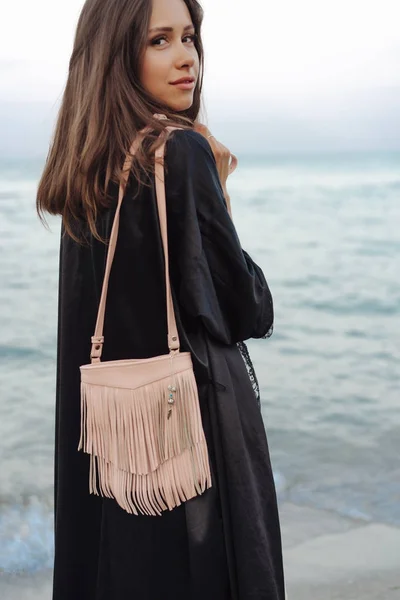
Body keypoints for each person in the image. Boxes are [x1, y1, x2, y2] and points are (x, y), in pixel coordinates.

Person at [36, 0, 286, 598]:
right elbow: (247, 309)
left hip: (109, 446)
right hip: (189, 443)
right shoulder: (181, 152)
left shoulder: (87, 165)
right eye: (159, 42)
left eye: (190, 39)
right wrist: (220, 196)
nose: (186, 60)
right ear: (118, 53)